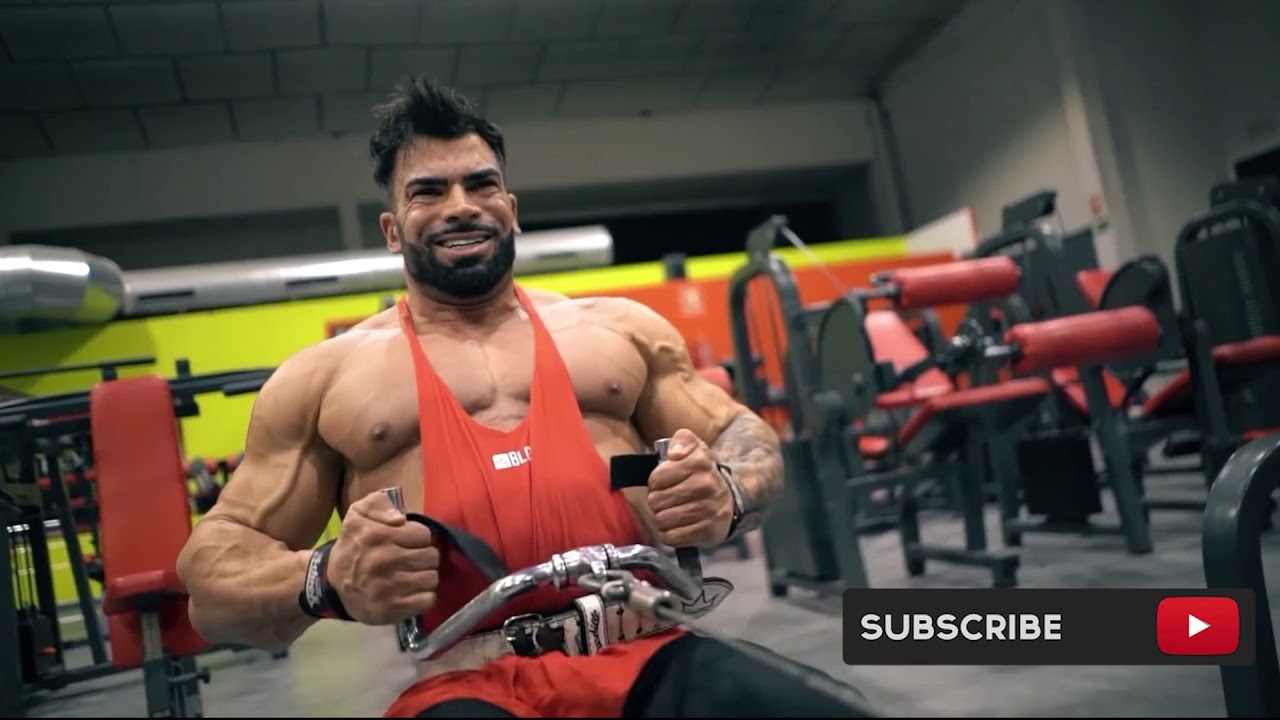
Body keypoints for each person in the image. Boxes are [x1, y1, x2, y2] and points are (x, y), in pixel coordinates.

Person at [176, 76, 868, 718]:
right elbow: (211, 577)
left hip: (650, 650)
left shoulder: (617, 331)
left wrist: (728, 489)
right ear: (391, 229)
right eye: (428, 192)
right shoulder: (324, 380)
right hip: (469, 685)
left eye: (481, 184)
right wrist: (323, 576)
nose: (461, 206)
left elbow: (744, 436)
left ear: (511, 209)